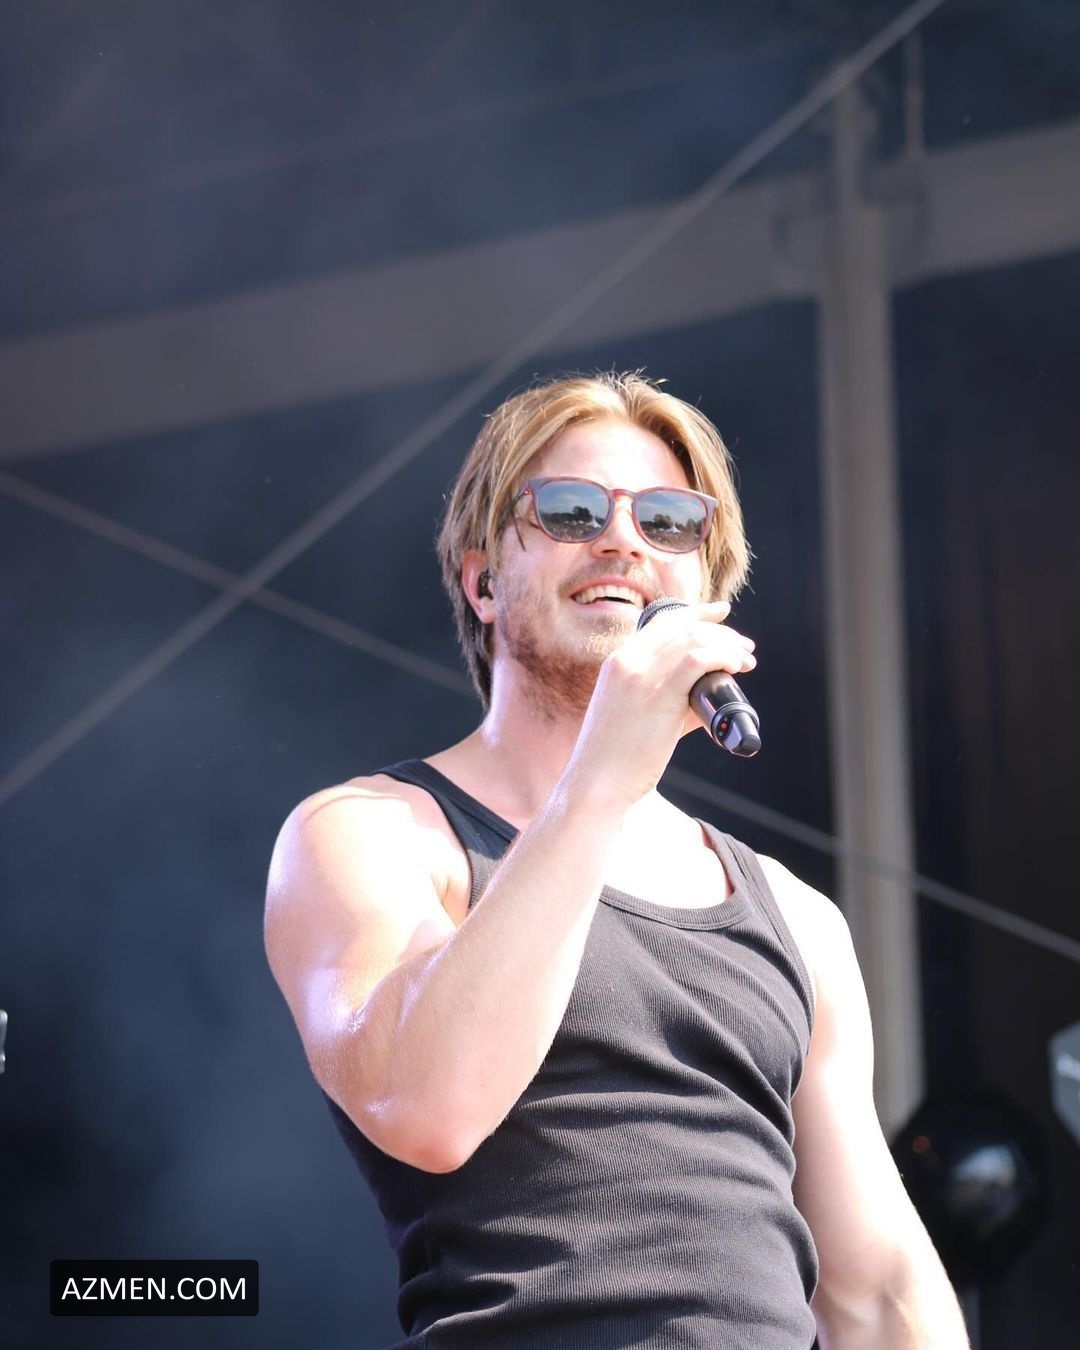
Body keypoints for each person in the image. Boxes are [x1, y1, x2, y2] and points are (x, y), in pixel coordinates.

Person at [264, 371, 968, 1348]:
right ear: (482, 581)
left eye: (670, 522)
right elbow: (425, 1107)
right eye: (571, 510)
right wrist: (598, 780)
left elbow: (878, 1291)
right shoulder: (371, 834)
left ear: (710, 600)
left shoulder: (796, 916)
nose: (624, 542)